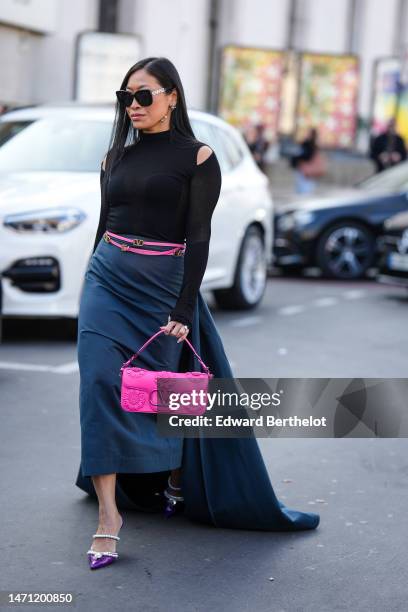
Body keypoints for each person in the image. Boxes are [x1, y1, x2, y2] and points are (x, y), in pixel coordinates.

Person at [75, 56, 320, 571]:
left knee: (164, 392)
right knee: (99, 381)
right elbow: (104, 224)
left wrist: (184, 305)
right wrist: (90, 280)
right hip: (107, 276)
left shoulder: (199, 157)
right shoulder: (114, 157)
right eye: (126, 97)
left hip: (161, 284)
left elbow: (199, 237)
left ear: (171, 97)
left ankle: (175, 477)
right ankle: (108, 517)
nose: (133, 105)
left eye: (144, 95)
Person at [290, 128, 323, 194]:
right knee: (305, 187)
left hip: (306, 168)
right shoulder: (311, 145)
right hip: (305, 169)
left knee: (304, 188)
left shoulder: (309, 145)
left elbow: (305, 156)